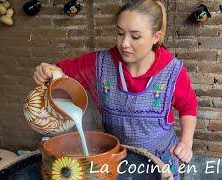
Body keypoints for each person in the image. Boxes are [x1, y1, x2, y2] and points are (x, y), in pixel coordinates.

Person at [33, 0, 198, 179]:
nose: (124, 43)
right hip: (115, 159)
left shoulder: (172, 71)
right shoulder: (100, 63)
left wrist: (186, 142)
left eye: (135, 37)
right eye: (120, 33)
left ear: (155, 37)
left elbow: (188, 107)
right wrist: (47, 71)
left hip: (159, 162)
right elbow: (60, 71)